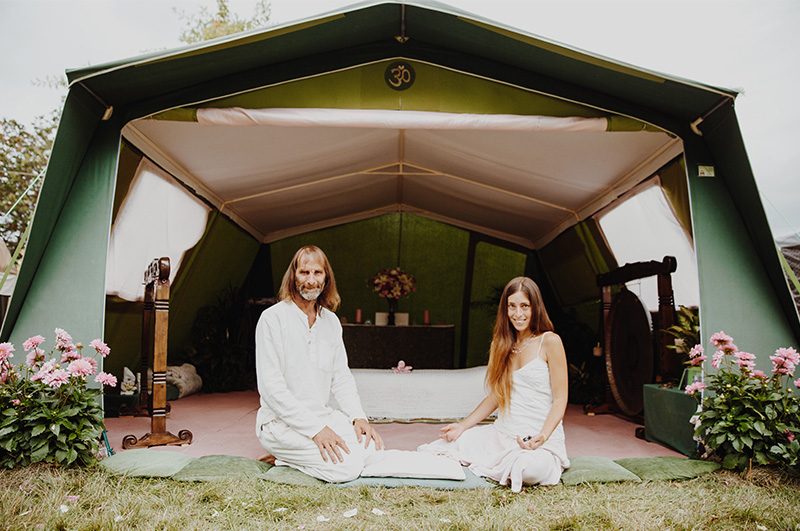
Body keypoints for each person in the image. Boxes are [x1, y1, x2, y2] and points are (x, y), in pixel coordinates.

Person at [418, 276, 570, 491]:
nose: (518, 314)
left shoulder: (550, 341)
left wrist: (542, 436)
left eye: (524, 306)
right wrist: (463, 426)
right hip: (502, 434)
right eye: (512, 306)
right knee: (442, 448)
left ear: (535, 307)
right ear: (505, 309)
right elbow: (497, 396)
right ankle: (498, 457)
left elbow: (560, 399)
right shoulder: (500, 344)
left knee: (525, 468)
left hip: (539, 438)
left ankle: (525, 460)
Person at [255, 245, 383, 482]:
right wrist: (315, 431)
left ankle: (292, 457)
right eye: (304, 272)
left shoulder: (331, 322)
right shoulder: (272, 319)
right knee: (348, 468)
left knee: (372, 448)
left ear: (326, 278)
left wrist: (358, 417)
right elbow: (271, 389)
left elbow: (341, 377)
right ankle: (284, 458)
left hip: (322, 416)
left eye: (317, 273)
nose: (311, 280)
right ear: (293, 276)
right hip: (280, 424)